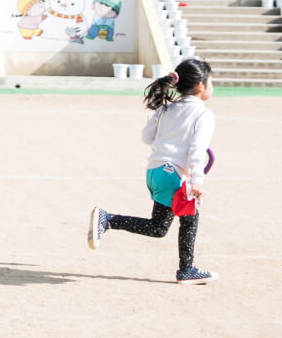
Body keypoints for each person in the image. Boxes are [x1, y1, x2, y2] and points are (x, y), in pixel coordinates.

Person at [88, 58, 218, 285]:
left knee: (158, 227)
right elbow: (197, 150)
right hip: (173, 174)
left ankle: (108, 220)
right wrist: (197, 179)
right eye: (211, 82)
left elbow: (146, 137)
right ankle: (186, 269)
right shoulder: (203, 114)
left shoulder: (166, 107)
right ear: (200, 85)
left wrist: (168, 134)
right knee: (190, 217)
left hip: (155, 171)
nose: (212, 87)